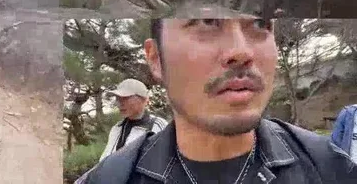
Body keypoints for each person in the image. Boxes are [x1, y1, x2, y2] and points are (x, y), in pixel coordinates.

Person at [77, 17, 355, 184]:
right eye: (206, 22)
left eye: (260, 23)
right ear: (156, 59)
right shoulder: (109, 178)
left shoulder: (332, 170)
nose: (241, 52)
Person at [97, 78, 167, 162]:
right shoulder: (117, 128)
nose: (119, 103)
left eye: (125, 98)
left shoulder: (158, 126)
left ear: (144, 99)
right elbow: (104, 161)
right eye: (118, 98)